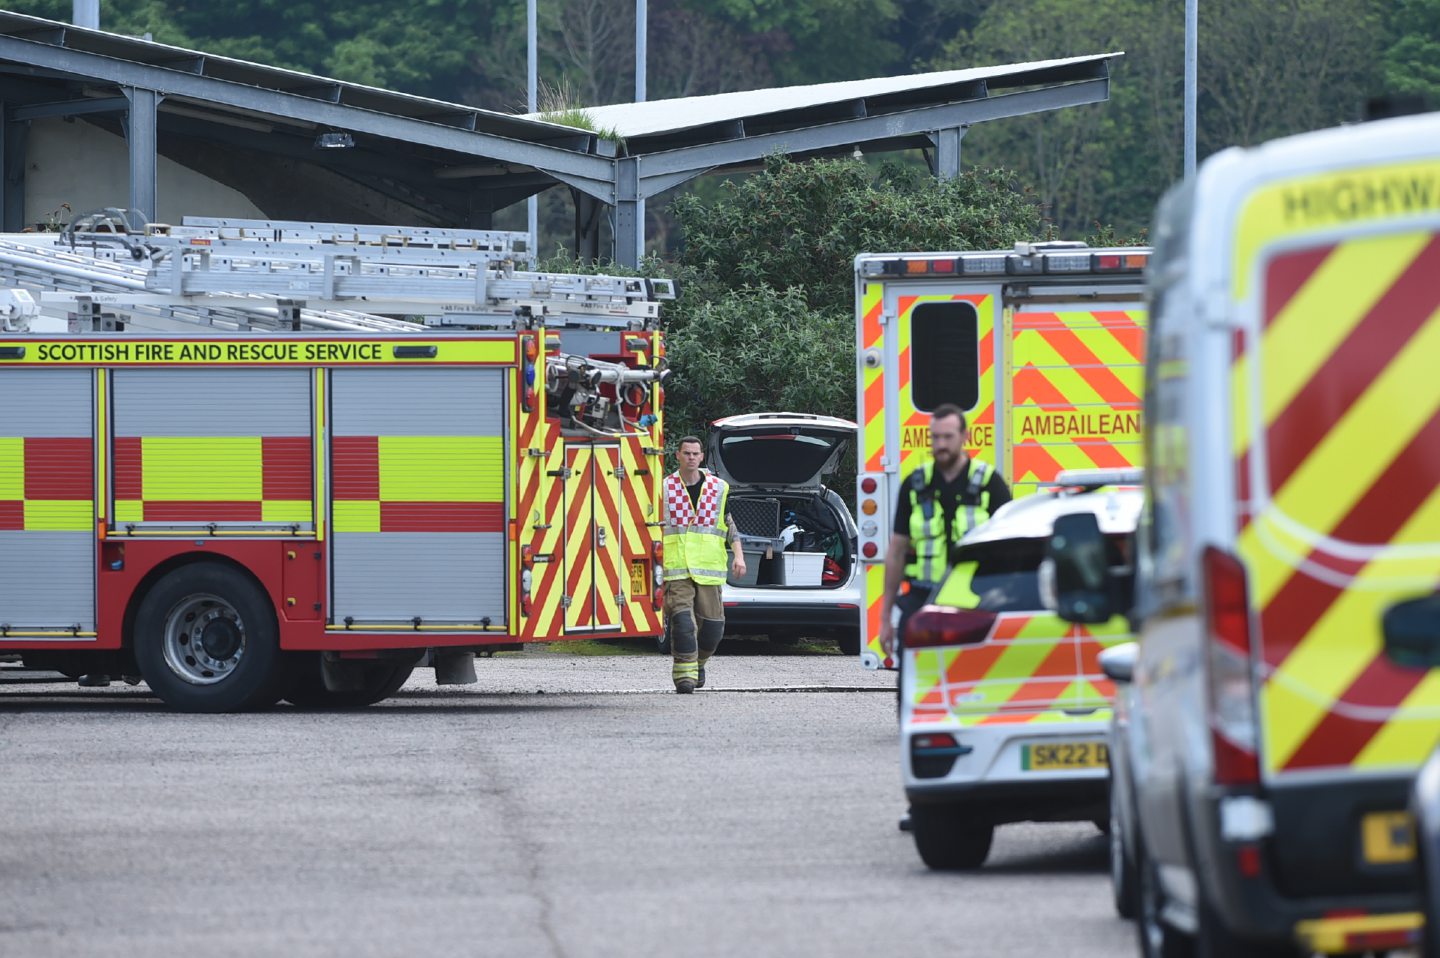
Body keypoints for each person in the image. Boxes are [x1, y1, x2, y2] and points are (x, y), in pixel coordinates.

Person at [879, 403, 1012, 665]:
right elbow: (896, 551)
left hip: (975, 601)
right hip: (922, 602)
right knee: (912, 689)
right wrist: (885, 618)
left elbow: (1009, 549)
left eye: (948, 437)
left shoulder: (989, 483)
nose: (941, 444)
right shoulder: (915, 485)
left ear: (965, 437)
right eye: (935, 437)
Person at [661, 435, 747, 694]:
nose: (691, 457)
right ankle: (683, 676)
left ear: (701, 457)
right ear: (677, 455)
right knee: (683, 623)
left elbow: (729, 525)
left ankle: (699, 664)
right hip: (676, 568)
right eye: (686, 453)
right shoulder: (663, 488)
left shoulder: (718, 489)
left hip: (708, 569)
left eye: (695, 454)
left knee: (712, 628)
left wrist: (739, 556)